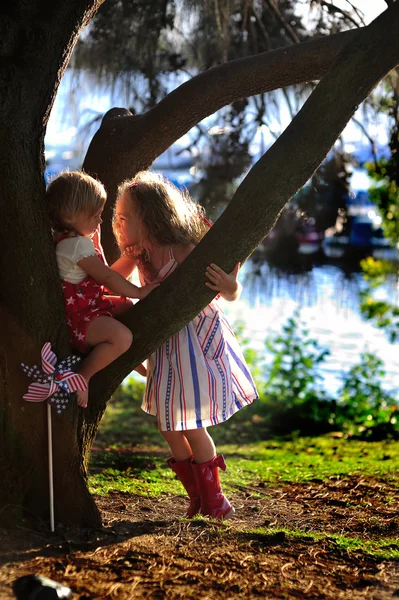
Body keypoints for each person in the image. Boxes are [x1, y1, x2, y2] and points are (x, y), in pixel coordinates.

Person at [113, 171, 258, 521]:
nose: (117, 226)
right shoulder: (140, 256)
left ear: (148, 218)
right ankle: (196, 494)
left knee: (191, 423)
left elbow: (229, 292)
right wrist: (126, 265)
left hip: (195, 343)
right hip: (165, 347)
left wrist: (231, 286)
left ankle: (215, 500)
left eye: (122, 218)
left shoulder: (184, 251)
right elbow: (112, 280)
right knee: (167, 424)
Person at [46, 171, 157, 408]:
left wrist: (95, 246)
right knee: (123, 336)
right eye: (95, 215)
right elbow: (106, 277)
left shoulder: (76, 241)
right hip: (81, 319)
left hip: (90, 306)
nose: (100, 221)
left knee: (126, 307)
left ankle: (124, 354)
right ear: (70, 215)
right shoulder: (74, 246)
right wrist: (138, 291)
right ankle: (83, 375)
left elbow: (102, 271)